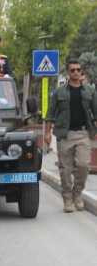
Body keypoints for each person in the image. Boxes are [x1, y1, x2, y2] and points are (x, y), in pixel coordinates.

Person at [45, 59, 97, 212]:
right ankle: (67, 198)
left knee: (83, 165)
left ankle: (77, 194)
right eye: (72, 70)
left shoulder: (90, 91)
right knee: (65, 169)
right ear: (68, 73)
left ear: (81, 72)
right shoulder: (59, 92)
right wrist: (47, 133)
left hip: (83, 133)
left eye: (78, 70)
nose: (76, 72)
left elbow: (96, 112)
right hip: (65, 134)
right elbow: (50, 114)